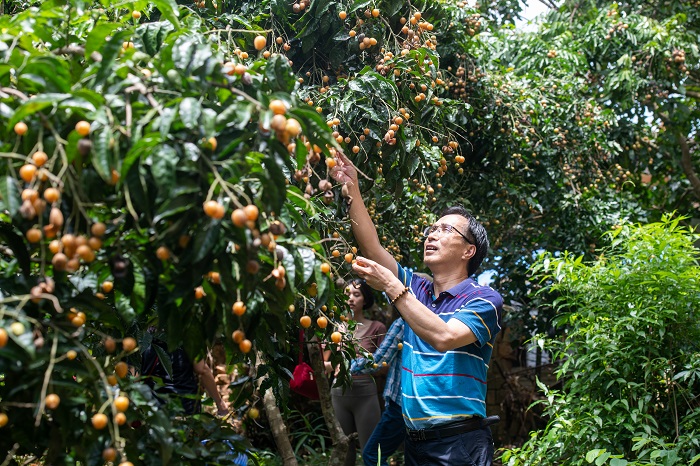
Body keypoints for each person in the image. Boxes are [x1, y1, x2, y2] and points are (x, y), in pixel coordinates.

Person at [332, 152, 503, 466]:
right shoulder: (418, 289)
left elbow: (446, 336)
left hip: (460, 442)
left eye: (446, 230)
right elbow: (372, 248)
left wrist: (394, 289)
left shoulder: (484, 299)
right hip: (415, 442)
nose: (432, 234)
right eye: (432, 229)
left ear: (469, 250)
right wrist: (353, 188)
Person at [324, 279, 386, 466]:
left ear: (365, 299)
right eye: (347, 294)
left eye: (356, 294)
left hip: (365, 393)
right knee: (344, 453)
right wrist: (331, 366)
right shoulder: (335, 328)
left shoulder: (377, 328)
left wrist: (365, 365)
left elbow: (386, 365)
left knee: (371, 452)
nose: (350, 299)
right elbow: (324, 362)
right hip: (339, 393)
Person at [351, 317, 405, 466]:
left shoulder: (404, 322)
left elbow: (379, 361)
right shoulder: (441, 318)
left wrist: (346, 366)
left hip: (401, 404)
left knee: (372, 455)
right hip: (428, 405)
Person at [141, 338, 229, 416]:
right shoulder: (187, 337)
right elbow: (202, 370)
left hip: (154, 408)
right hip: (185, 406)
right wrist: (219, 402)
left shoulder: (144, 339)